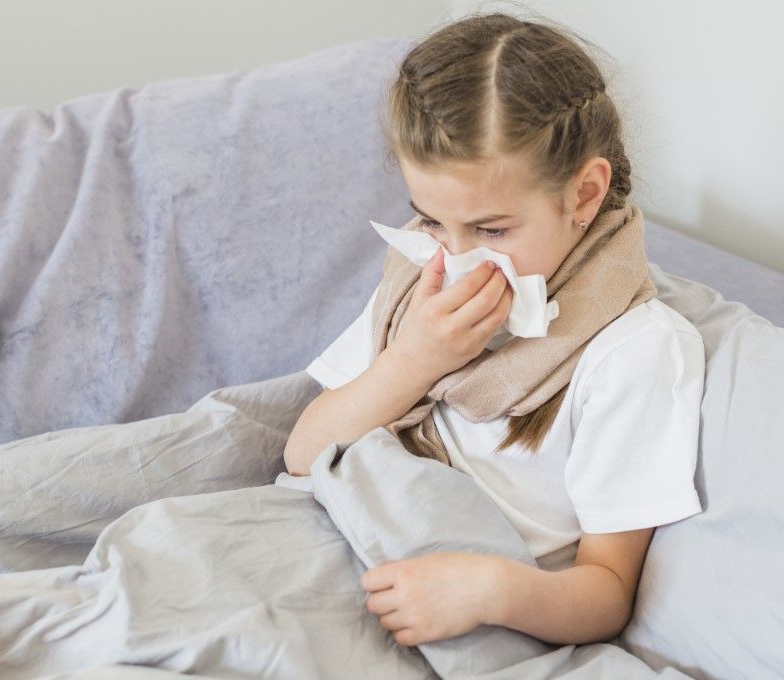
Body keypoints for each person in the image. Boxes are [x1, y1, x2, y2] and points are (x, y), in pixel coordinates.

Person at [283, 12, 705, 650]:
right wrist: (413, 361)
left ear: (585, 195)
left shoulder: (632, 352)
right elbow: (302, 452)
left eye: (491, 231)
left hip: (462, 599)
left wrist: (489, 589)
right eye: (429, 220)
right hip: (336, 531)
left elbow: (607, 592)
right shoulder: (421, 283)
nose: (454, 259)